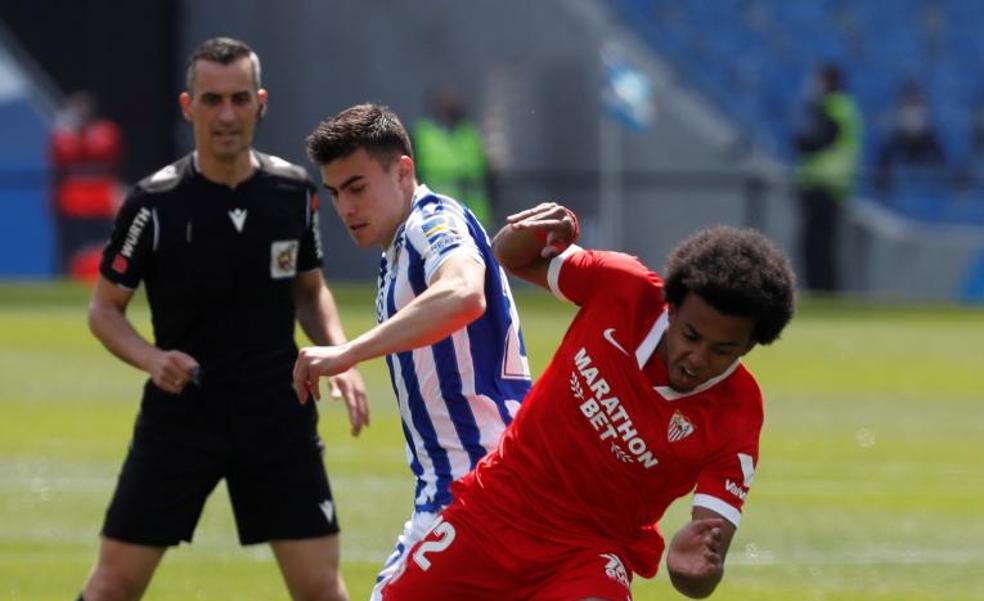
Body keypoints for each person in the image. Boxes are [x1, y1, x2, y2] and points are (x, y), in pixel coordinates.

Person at [381, 202, 796, 600]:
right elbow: (510, 256)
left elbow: (705, 559)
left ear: (749, 346)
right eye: (691, 335)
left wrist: (694, 571)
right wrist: (542, 228)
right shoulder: (622, 286)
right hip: (496, 509)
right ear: (671, 308)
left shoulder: (739, 413)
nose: (699, 358)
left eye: (723, 350)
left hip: (588, 552)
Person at [77, 37, 366, 601]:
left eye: (239, 99)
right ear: (189, 107)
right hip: (182, 416)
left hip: (277, 412)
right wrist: (152, 359)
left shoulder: (293, 193)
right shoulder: (153, 203)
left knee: (321, 589)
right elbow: (104, 310)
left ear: (261, 102)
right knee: (113, 584)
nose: (227, 115)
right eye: (212, 100)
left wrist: (341, 354)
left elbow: (311, 294)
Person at [297, 103, 532, 599]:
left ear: (403, 171)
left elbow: (464, 292)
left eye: (357, 188)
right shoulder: (397, 250)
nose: (345, 209)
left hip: (474, 489)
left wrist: (348, 352)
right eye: (335, 194)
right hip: (485, 487)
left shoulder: (430, 222)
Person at [793, 62, 862, 294]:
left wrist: (801, 141)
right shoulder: (843, 108)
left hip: (825, 186)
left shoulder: (835, 108)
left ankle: (822, 292)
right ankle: (823, 291)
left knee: (817, 247)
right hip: (830, 187)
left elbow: (818, 141)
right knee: (820, 245)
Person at [49, 91, 124, 278]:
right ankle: (65, 278)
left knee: (105, 244)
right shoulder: (63, 134)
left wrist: (79, 134)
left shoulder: (106, 131)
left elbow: (104, 154)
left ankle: (108, 278)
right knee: (70, 248)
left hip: (100, 198)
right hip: (72, 200)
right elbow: (60, 159)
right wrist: (70, 131)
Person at [412, 87, 493, 227]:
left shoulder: (469, 132)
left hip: (473, 214)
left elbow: (484, 170)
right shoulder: (423, 133)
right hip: (437, 213)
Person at [875, 80, 946, 192]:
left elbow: (926, 126)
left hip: (921, 142)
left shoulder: (923, 107)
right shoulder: (900, 108)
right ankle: (884, 184)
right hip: (902, 141)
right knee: (886, 151)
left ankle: (941, 183)